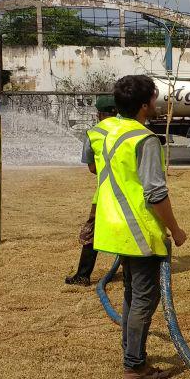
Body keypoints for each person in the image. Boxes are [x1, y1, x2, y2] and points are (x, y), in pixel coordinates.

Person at [92, 75, 186, 379]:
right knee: (144, 299)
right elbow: (155, 193)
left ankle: (132, 355)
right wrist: (176, 230)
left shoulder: (100, 131)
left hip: (111, 227)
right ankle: (134, 365)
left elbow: (92, 166)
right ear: (144, 105)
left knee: (133, 294)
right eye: (155, 100)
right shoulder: (144, 140)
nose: (158, 104)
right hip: (138, 228)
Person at [65, 95, 118, 286]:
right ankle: (133, 273)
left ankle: (83, 275)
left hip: (104, 195)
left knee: (91, 233)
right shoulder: (131, 131)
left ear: (98, 114)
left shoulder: (94, 134)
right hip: (131, 195)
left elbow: (92, 168)